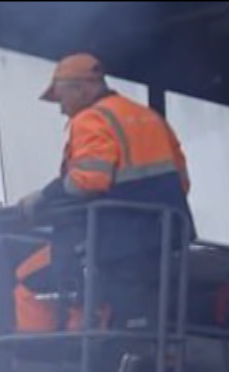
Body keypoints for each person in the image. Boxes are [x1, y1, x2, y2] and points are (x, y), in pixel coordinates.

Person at [13, 53, 195, 334]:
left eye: (61, 98)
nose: (61, 109)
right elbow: (182, 181)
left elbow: (88, 181)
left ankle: (36, 354)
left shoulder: (92, 118)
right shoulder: (150, 117)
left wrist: (43, 197)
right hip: (165, 237)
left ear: (81, 89)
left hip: (115, 242)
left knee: (27, 279)